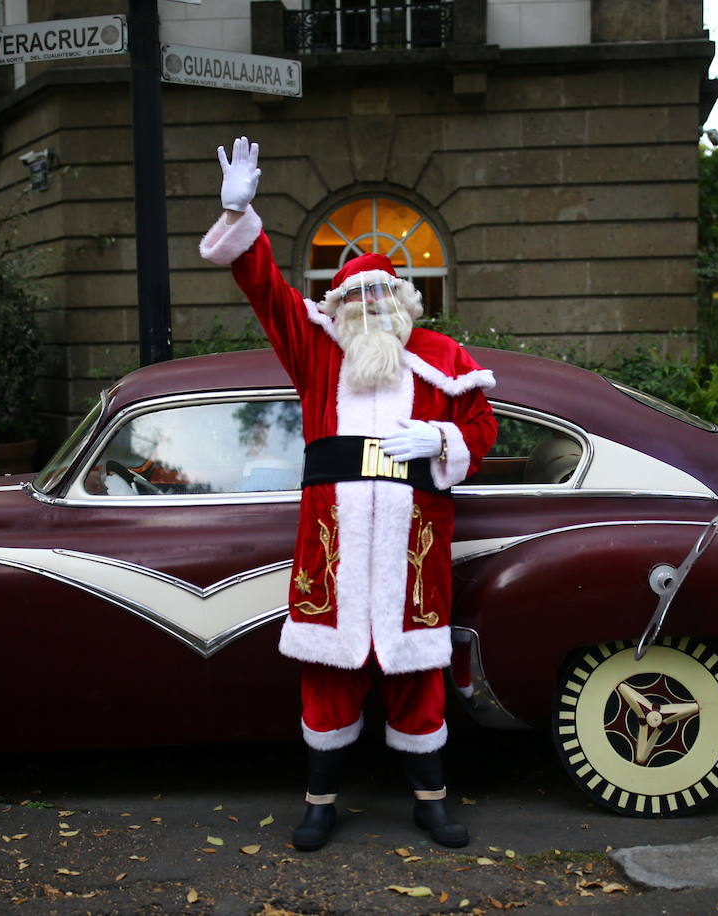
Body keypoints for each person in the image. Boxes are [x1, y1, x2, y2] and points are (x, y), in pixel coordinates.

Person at [199, 137, 498, 851]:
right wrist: (242, 215)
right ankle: (320, 802)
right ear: (340, 306)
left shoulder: (442, 357)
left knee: (418, 673)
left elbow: (481, 425)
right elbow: (267, 290)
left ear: (403, 301)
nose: (369, 304)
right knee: (328, 672)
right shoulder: (318, 351)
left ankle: (430, 800)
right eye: (356, 295)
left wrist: (443, 440)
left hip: (413, 542)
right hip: (331, 545)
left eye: (381, 294)